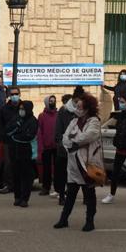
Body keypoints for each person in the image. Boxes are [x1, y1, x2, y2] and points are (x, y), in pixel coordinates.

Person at [54, 92, 102, 232]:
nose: (78, 109)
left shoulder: (94, 121)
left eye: (81, 107)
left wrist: (74, 140)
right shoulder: (74, 121)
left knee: (89, 194)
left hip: (87, 163)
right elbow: (65, 137)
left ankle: (90, 221)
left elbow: (88, 136)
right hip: (73, 163)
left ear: (88, 108)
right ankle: (64, 219)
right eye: (77, 106)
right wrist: (73, 141)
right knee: (71, 193)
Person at [54, 87, 85, 206]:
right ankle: (62, 196)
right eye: (77, 101)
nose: (79, 103)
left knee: (80, 174)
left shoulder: (83, 110)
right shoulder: (64, 110)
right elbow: (58, 129)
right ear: (74, 99)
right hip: (64, 148)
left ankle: (85, 197)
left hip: (78, 148)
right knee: (62, 174)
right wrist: (60, 143)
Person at [6, 99, 38, 208]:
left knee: (26, 177)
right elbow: (8, 130)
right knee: (16, 175)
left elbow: (29, 135)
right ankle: (17, 197)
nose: (21, 111)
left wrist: (16, 135)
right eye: (20, 109)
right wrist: (17, 131)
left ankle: (25, 198)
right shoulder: (16, 118)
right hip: (14, 151)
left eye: (23, 109)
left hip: (26, 153)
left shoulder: (33, 120)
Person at [0, 87, 23, 194]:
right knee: (8, 164)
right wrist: (3, 135)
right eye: (12, 94)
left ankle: (19, 185)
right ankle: (8, 185)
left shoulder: (24, 106)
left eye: (16, 94)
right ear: (9, 96)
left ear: (19, 94)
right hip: (8, 140)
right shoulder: (4, 108)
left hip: (22, 140)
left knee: (20, 163)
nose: (14, 96)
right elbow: (0, 124)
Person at [36, 94, 58, 196]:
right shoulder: (42, 116)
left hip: (57, 146)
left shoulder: (58, 115)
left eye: (54, 101)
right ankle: (46, 187)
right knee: (46, 169)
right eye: (50, 101)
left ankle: (58, 188)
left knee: (58, 168)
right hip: (46, 146)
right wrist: (41, 147)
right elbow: (39, 132)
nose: (52, 103)